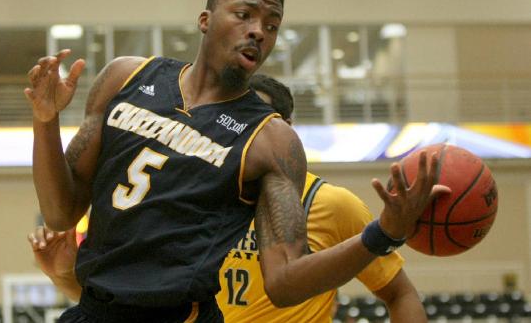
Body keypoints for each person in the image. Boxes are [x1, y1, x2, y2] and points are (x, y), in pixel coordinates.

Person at [24, 0, 447, 323]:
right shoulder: (126, 77)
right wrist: (46, 122)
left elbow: (283, 283)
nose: (258, 32)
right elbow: (62, 211)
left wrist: (383, 234)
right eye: (244, 15)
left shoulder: (272, 139)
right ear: (205, 19)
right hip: (92, 310)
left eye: (271, 26)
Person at [28, 74, 427, 322]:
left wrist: (384, 234)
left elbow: (400, 293)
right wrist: (63, 275)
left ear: (282, 133)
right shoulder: (187, 202)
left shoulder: (331, 204)